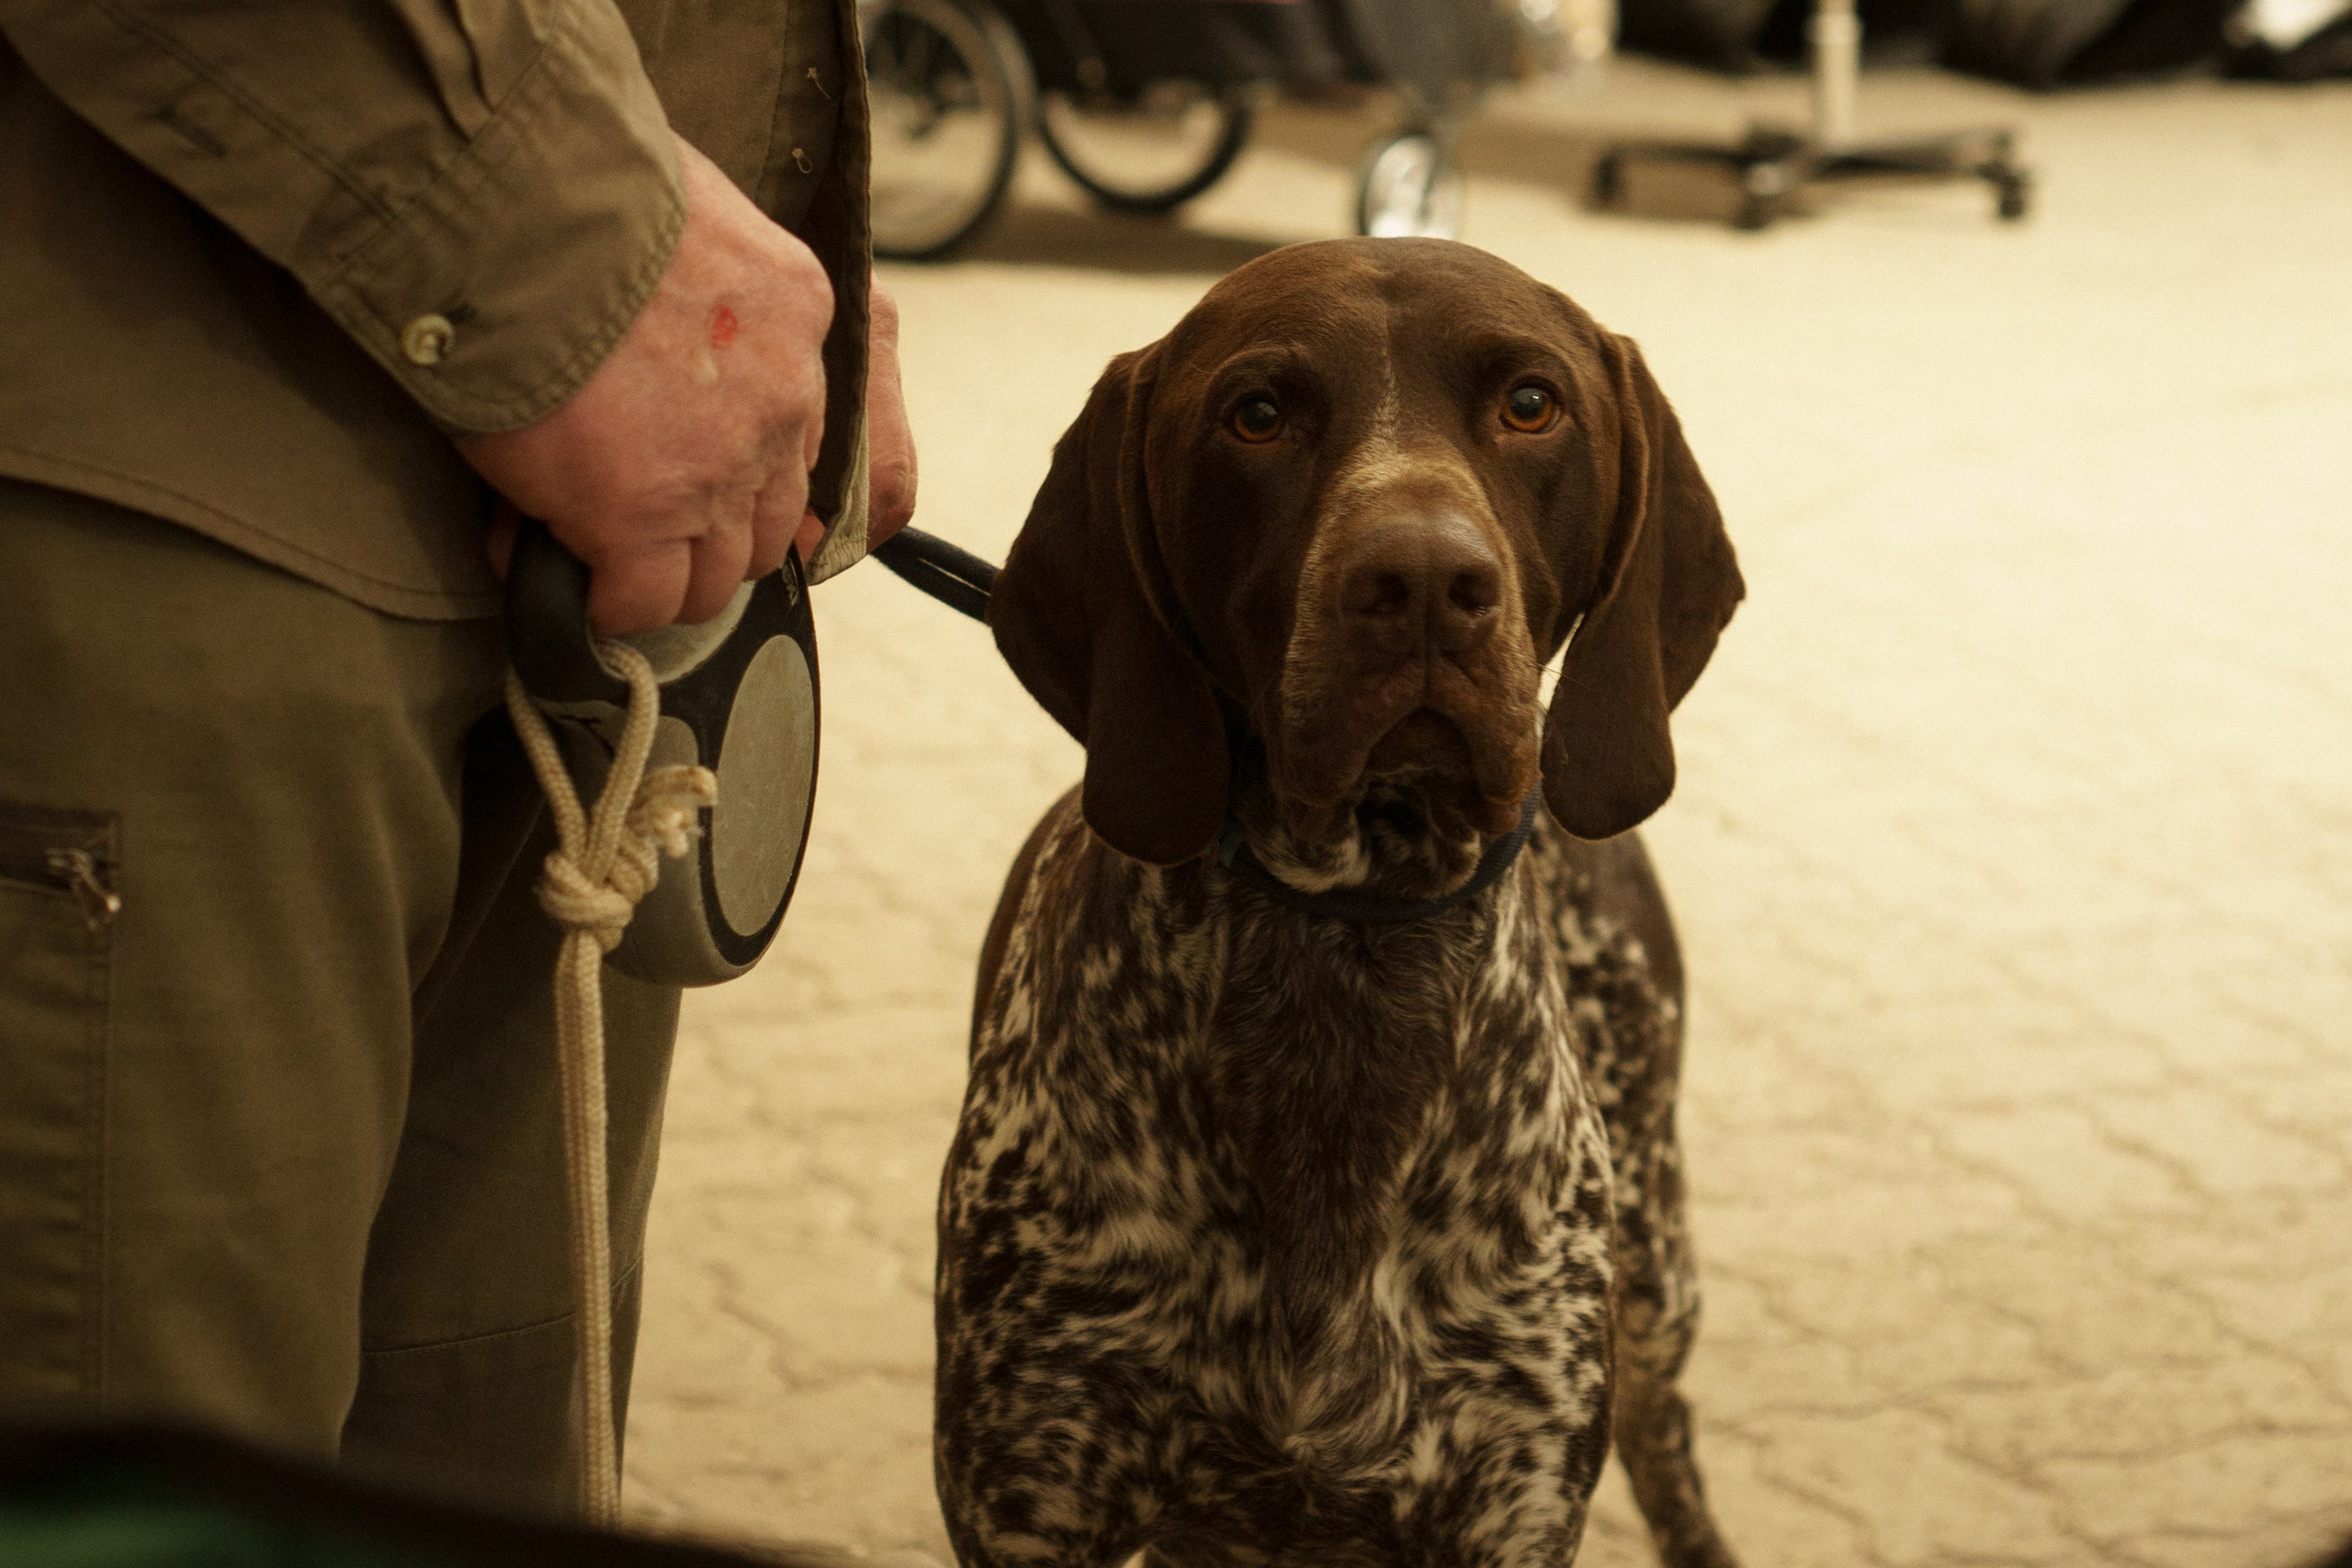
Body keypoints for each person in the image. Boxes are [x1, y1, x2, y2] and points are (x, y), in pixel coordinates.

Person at [0, 0, 912, 1519]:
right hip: (179, 472)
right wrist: (582, 248)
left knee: (492, 1465)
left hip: (599, 573)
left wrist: (800, 269)